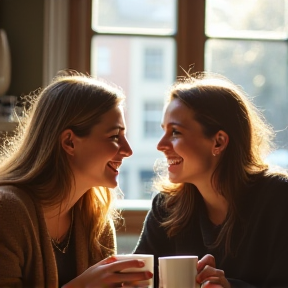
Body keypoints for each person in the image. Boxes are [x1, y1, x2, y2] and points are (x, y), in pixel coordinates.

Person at [134, 71, 288, 288]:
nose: (161, 145)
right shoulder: (167, 207)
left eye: (175, 132)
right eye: (164, 131)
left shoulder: (279, 199)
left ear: (218, 141)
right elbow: (138, 280)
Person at [0, 70, 153, 288]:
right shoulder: (6, 211)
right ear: (70, 142)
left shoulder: (95, 219)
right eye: (114, 137)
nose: (128, 150)